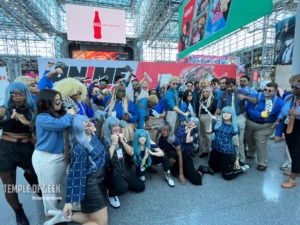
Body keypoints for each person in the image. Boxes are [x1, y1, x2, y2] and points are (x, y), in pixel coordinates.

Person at [44, 115, 108, 225]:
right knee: (101, 223)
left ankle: (63, 217)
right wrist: (69, 202)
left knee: (94, 220)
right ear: (79, 129)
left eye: (88, 121)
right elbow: (75, 174)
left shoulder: (91, 136)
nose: (90, 124)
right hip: (92, 187)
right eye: (86, 124)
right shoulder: (80, 149)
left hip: (100, 180)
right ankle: (64, 216)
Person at [32, 89, 75, 219]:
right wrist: (70, 114)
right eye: (57, 101)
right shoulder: (42, 118)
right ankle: (52, 216)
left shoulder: (57, 114)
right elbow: (62, 124)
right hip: (46, 158)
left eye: (60, 100)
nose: (60, 103)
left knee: (57, 188)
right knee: (49, 192)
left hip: (62, 156)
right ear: (47, 103)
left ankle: (60, 214)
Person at [0, 82, 38, 225]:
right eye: (13, 94)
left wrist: (26, 121)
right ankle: (18, 212)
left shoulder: (32, 109)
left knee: (33, 174)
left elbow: (38, 127)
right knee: (9, 184)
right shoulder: (4, 110)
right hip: (6, 149)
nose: (17, 97)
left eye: (21, 93)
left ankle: (40, 192)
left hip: (26, 148)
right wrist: (8, 119)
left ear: (26, 94)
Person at [103, 117, 145, 208]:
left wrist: (122, 141)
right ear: (108, 128)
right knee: (123, 188)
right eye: (114, 126)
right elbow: (106, 160)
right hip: (112, 172)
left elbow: (131, 153)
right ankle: (110, 193)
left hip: (124, 169)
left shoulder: (121, 137)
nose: (117, 128)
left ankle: (121, 183)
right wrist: (113, 143)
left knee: (140, 187)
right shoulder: (104, 141)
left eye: (118, 125)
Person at [214, 78, 257, 166]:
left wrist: (245, 97)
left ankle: (241, 159)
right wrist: (215, 116)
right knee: (228, 139)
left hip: (239, 116)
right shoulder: (223, 94)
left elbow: (255, 101)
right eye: (227, 87)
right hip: (227, 118)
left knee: (239, 140)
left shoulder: (242, 92)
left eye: (231, 87)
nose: (229, 89)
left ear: (235, 85)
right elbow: (219, 108)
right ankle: (230, 157)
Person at [245, 82, 283, 171]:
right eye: (265, 89)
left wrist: (278, 133)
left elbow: (280, 118)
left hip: (266, 126)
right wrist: (260, 114)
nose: (267, 92)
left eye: (270, 90)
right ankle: (251, 153)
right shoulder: (256, 96)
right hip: (251, 122)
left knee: (260, 141)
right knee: (248, 138)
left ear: (275, 91)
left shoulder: (279, 102)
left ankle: (262, 163)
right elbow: (248, 109)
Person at [208, 106, 250, 180]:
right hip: (215, 151)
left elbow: (236, 145)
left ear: (232, 115)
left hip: (227, 153)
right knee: (213, 170)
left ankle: (242, 169)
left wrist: (236, 160)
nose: (225, 114)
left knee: (227, 176)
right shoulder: (217, 123)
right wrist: (211, 121)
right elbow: (208, 131)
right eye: (224, 112)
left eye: (228, 113)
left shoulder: (235, 127)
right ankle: (223, 165)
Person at [274, 74, 300, 188]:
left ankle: (292, 179)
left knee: (297, 152)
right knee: (292, 151)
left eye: (296, 87)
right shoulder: (289, 97)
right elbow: (283, 112)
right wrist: (278, 120)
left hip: (299, 126)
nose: (292, 89)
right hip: (288, 125)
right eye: (292, 86)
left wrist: (297, 113)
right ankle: (297, 170)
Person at [198, 86, 217, 157]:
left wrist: (213, 119)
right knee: (202, 135)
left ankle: (211, 153)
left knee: (208, 136)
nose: (205, 93)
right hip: (201, 118)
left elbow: (216, 111)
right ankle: (205, 151)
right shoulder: (202, 100)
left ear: (210, 92)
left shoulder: (213, 100)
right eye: (203, 92)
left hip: (209, 118)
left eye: (207, 91)